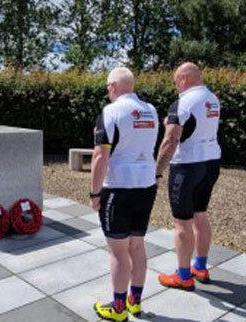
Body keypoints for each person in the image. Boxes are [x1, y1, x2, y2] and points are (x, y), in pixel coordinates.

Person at [90, 67, 159, 321]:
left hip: (118, 187)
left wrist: (94, 192)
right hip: (146, 185)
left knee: (118, 251)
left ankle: (118, 310)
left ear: (114, 86)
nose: (108, 91)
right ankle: (134, 302)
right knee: (137, 245)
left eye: (108, 87)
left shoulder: (111, 112)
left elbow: (100, 156)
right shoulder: (151, 110)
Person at [156, 62, 221, 291]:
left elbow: (171, 139)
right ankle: (200, 266)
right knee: (200, 214)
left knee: (182, 221)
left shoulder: (182, 102)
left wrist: (157, 171)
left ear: (183, 78)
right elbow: (197, 125)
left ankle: (183, 276)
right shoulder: (212, 99)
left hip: (187, 166)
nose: (177, 87)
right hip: (211, 162)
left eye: (176, 82)